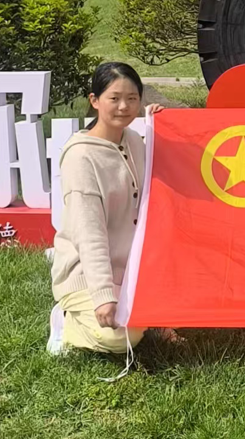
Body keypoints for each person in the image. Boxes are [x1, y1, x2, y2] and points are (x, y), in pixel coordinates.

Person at [47, 62, 164, 355]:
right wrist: (103, 295)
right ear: (95, 100)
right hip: (87, 275)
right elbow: (90, 234)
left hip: (132, 271)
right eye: (114, 98)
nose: (124, 106)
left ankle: (146, 316)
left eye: (132, 98)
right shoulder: (81, 157)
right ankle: (66, 321)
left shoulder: (133, 140)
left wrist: (161, 125)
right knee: (121, 339)